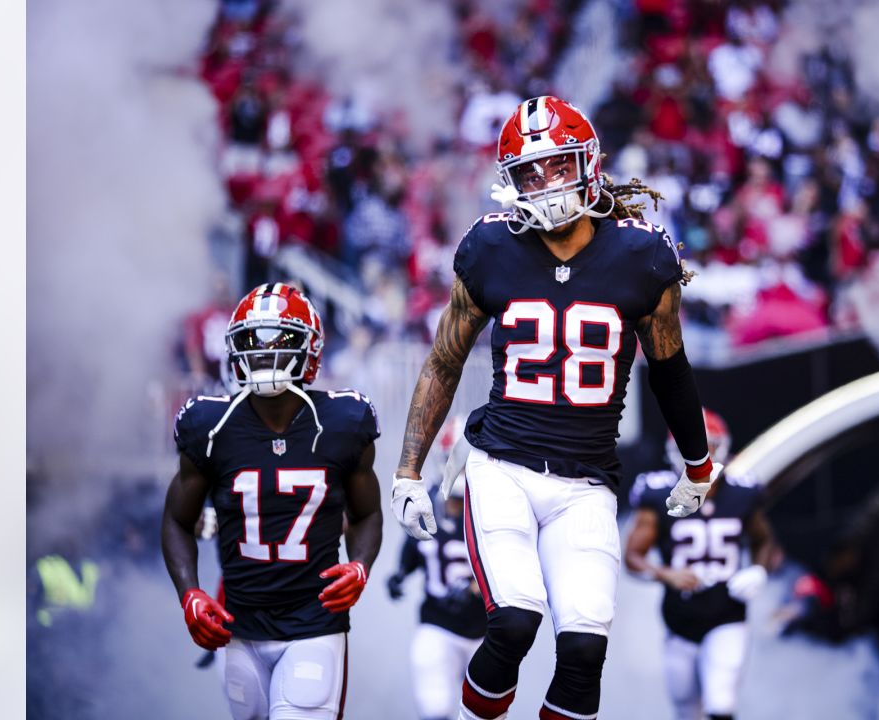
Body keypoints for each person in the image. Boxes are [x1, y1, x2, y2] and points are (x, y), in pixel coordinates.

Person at [390, 94, 720, 720]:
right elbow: (443, 359)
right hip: (502, 467)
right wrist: (409, 470)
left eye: (558, 166)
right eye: (529, 173)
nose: (545, 185)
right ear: (508, 182)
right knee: (514, 623)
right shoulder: (489, 247)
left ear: (589, 164)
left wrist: (699, 465)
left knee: (584, 652)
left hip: (586, 481)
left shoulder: (642, 255)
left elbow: (670, 370)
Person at [161, 282, 384, 720]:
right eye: (251, 342)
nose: (263, 356)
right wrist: (189, 594)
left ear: (311, 350)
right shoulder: (210, 425)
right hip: (240, 629)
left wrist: (361, 565)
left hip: (312, 624)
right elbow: (175, 520)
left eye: (281, 342)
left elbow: (368, 513)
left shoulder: (342, 421)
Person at [624, 408, 781, 720]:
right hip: (679, 622)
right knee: (686, 710)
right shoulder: (658, 495)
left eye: (705, 447)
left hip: (727, 614)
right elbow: (632, 556)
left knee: (720, 703)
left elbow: (765, 541)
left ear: (721, 448)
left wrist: (759, 571)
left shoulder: (742, 494)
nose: (696, 456)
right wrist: (664, 574)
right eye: (688, 448)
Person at [386, 415, 488, 720]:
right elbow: (415, 547)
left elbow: (514, 564)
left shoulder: (494, 507)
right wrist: (401, 573)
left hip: (486, 631)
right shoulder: (428, 500)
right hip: (437, 624)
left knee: (484, 714)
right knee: (435, 708)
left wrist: (473, 586)